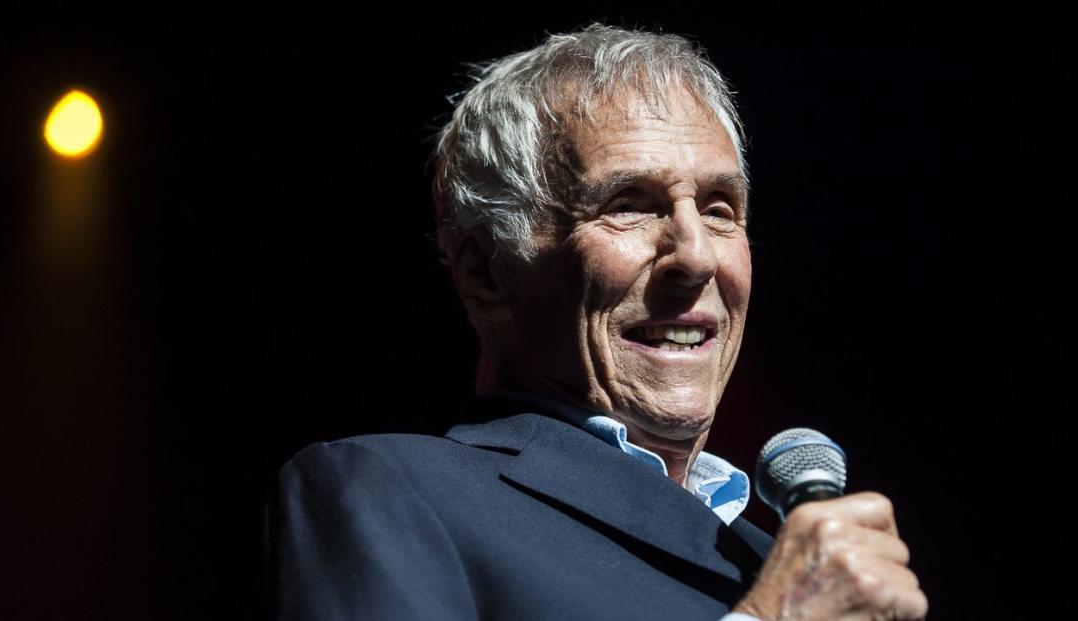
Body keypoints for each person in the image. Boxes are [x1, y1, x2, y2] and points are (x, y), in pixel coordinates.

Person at [266, 24, 927, 620]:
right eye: (630, 205)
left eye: (721, 208)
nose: (695, 256)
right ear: (486, 272)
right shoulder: (390, 489)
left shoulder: (776, 563)